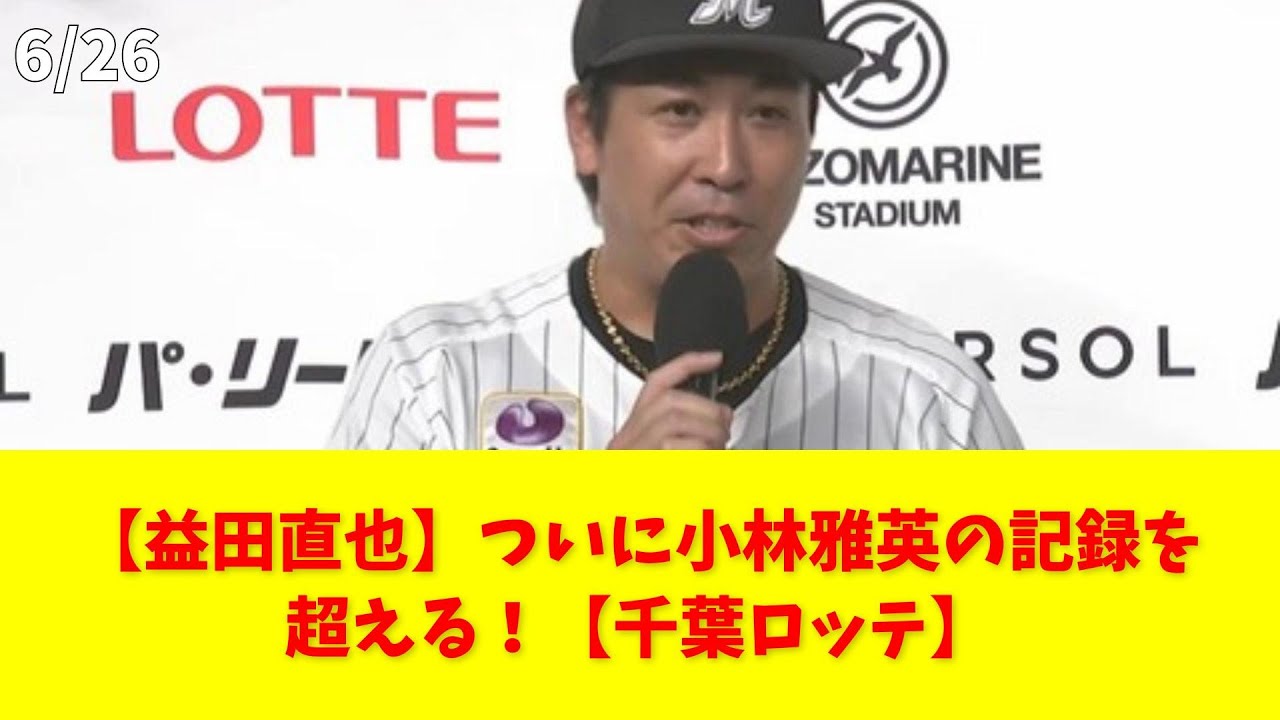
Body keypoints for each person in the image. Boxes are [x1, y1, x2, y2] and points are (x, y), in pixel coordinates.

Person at [328, 0, 1022, 450]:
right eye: (681, 111)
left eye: (768, 115)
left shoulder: (929, 397)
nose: (726, 165)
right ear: (585, 129)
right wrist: (596, 529)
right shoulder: (433, 377)